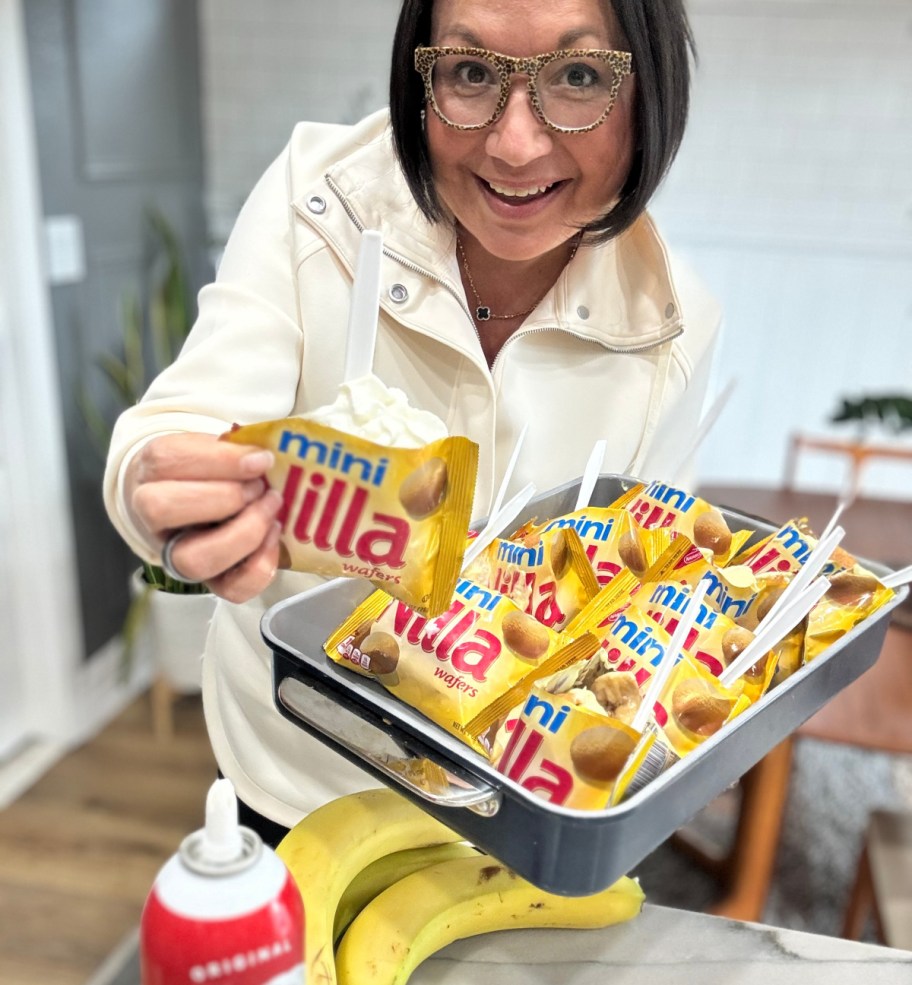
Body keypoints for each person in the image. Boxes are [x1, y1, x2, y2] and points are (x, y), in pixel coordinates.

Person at [104, 0, 721, 846]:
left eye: (579, 77)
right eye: (470, 72)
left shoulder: (673, 328)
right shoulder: (318, 202)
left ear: (650, 92)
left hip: (502, 811)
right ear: (419, 74)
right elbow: (186, 420)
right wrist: (160, 486)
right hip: (294, 772)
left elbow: (636, 598)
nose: (514, 144)